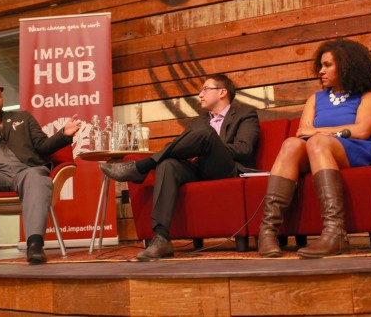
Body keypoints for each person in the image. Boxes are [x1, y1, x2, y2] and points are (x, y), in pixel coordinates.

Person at [101, 74, 260, 260]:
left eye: (205, 89)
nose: (200, 94)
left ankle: (142, 167)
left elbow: (244, 148)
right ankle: (161, 238)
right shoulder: (198, 122)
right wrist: (197, 147)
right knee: (168, 163)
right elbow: (176, 146)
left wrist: (209, 145)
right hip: (200, 168)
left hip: (227, 169)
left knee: (206, 134)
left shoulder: (245, 114)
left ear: (222, 92)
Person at [258, 39, 371, 258]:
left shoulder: (367, 95)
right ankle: (267, 232)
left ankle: (335, 233)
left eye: (327, 65)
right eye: (321, 66)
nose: (321, 71)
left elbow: (362, 130)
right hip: (319, 149)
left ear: (346, 66)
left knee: (317, 141)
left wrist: (320, 132)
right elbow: (301, 132)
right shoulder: (315, 98)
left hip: (355, 149)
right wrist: (328, 132)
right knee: (290, 144)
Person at [0, 74, 82, 267]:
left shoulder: (22, 118)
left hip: (26, 172)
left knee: (38, 178)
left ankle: (34, 245)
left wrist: (63, 134)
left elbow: (43, 146)